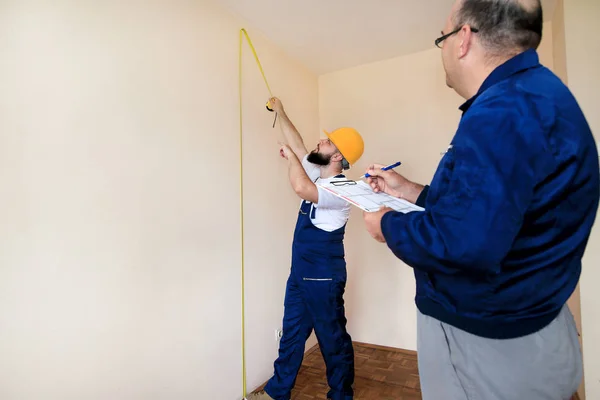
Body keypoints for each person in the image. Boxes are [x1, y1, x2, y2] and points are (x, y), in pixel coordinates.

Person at [362, 1, 599, 399]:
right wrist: (409, 191)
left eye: (441, 38)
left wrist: (385, 223)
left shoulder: (501, 111)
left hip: (488, 347)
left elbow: (464, 244)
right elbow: (487, 209)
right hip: (536, 328)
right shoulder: (538, 95)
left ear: (463, 39)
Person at [249, 97, 364, 400]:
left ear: (337, 155)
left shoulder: (343, 190)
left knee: (332, 339)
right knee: (292, 335)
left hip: (324, 277)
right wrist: (281, 112)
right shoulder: (318, 173)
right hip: (301, 273)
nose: (320, 140)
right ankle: (277, 392)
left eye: (327, 141)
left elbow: (301, 188)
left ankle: (341, 395)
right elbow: (300, 146)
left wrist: (290, 160)